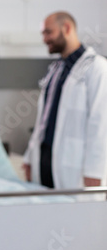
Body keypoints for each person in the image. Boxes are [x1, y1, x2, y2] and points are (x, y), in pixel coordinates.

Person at [23, 11, 107, 189]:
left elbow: (101, 123)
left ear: (67, 28)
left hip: (74, 165)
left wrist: (95, 171)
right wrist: (29, 157)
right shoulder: (55, 69)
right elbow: (42, 120)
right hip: (46, 158)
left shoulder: (97, 67)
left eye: (48, 32)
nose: (44, 39)